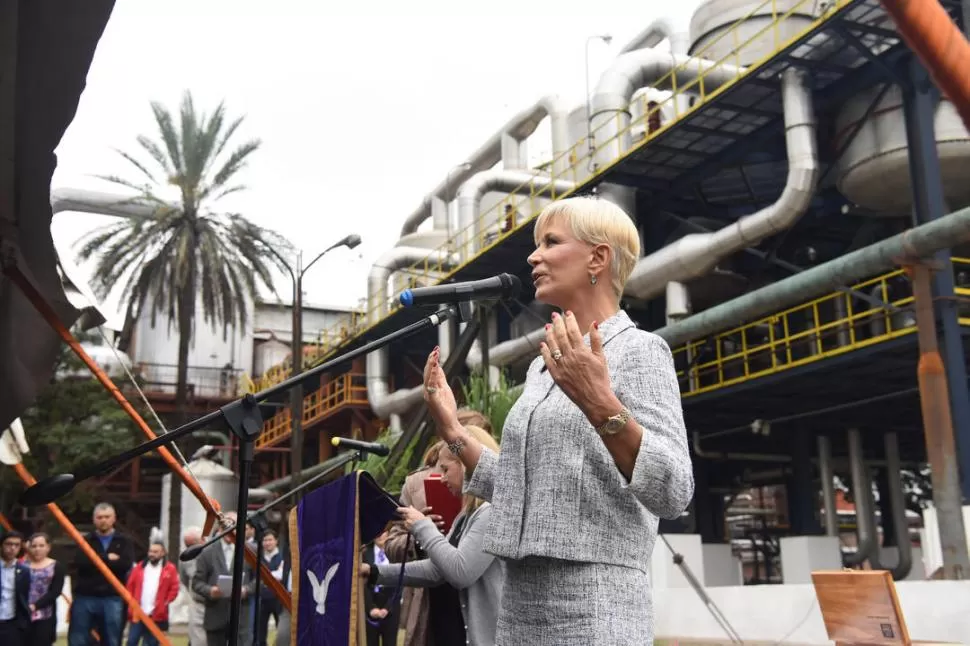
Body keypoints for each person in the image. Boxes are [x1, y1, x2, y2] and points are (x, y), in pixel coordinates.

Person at [422, 196, 695, 645]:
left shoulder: (640, 351)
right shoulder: (541, 366)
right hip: (520, 602)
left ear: (598, 257)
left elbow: (673, 489)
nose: (533, 256)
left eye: (550, 242)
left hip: (594, 602)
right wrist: (452, 430)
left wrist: (599, 403)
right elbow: (517, 484)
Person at [362, 425, 504, 646]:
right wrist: (373, 572)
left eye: (445, 470)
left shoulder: (491, 511)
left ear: (465, 464)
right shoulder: (466, 516)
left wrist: (422, 527)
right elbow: (437, 570)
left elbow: (460, 571)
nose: (442, 479)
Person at [69, 503, 134, 646]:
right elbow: (80, 562)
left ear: (114, 518)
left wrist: (94, 560)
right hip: (85, 596)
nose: (103, 520)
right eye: (99, 517)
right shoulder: (85, 540)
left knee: (112, 638)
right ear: (94, 519)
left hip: (112, 597)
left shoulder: (124, 541)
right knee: (78, 638)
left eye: (107, 517)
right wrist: (106, 558)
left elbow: (124, 565)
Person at [190, 511, 255, 646]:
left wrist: (246, 590)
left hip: (241, 618)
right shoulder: (207, 552)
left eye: (234, 525)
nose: (230, 529)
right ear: (220, 527)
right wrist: (210, 591)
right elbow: (196, 583)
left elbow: (260, 579)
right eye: (226, 525)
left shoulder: (251, 551)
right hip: (215, 615)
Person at [124, 541, 179, 646]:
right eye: (150, 551)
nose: (152, 554)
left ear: (163, 553)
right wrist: (131, 604)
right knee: (131, 641)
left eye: (155, 552)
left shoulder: (170, 569)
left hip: (156, 614)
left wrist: (165, 602)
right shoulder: (139, 567)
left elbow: (174, 587)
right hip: (138, 613)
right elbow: (130, 586)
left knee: (150, 643)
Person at [24, 533, 66, 646]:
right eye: (34, 546)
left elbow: (55, 591)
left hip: (45, 614)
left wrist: (35, 606)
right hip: (23, 614)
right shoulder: (23, 565)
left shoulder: (56, 566)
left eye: (41, 546)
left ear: (48, 547)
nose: (37, 549)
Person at [361, 531, 399, 646]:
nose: (379, 535)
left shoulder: (397, 553)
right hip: (370, 604)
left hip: (390, 605)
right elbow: (362, 583)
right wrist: (371, 608)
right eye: (377, 532)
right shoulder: (365, 553)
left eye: (383, 532)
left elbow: (400, 582)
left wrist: (387, 608)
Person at [254, 530, 288, 646]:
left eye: (270, 540)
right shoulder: (258, 557)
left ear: (276, 541)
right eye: (265, 540)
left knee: (281, 630)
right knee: (260, 631)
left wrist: (268, 576)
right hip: (262, 598)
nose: (267, 543)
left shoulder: (283, 556)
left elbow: (282, 575)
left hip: (278, 599)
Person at [0, 530, 30, 646]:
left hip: (12, 623)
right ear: (1, 545)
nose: (12, 548)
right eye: (9, 544)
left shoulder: (24, 571)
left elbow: (24, 596)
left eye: (16, 545)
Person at [177, 527, 205, 646]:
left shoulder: (214, 552)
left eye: (193, 545)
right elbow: (184, 579)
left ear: (203, 540)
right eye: (187, 546)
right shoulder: (185, 559)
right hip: (197, 602)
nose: (190, 550)